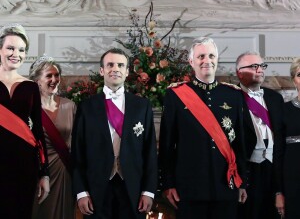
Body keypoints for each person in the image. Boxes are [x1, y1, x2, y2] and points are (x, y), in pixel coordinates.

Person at [159, 37, 247, 219]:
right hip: (189, 187)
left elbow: (240, 143)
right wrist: (168, 184)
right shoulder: (175, 95)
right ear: (191, 62)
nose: (207, 60)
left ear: (217, 60)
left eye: (211, 55)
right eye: (201, 56)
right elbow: (167, 145)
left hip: (226, 185)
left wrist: (243, 182)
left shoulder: (233, 95)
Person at [72, 47, 157, 218]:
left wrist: (148, 191)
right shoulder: (86, 107)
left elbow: (150, 152)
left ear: (127, 72)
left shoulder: (142, 106)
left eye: (120, 65)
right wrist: (81, 191)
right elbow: (77, 152)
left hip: (133, 187)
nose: (115, 69)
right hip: (96, 188)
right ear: (102, 70)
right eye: (110, 65)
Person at [0, 23, 49, 219]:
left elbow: (38, 132)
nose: (16, 54)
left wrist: (44, 173)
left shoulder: (30, 87)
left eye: (21, 50)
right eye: (10, 48)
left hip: (24, 166)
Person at [235, 51, 284, 219]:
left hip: (272, 170)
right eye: (253, 66)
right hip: (247, 171)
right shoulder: (230, 98)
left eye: (262, 66)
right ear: (239, 73)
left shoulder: (275, 98)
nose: (260, 70)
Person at [29, 54, 77, 219]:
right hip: (39, 173)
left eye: (57, 75)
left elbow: (78, 143)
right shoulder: (28, 108)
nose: (54, 79)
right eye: (48, 75)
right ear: (37, 81)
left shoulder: (69, 106)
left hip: (65, 173)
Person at [278, 58, 300, 218]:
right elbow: (278, 153)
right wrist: (278, 192)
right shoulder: (284, 110)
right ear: (294, 80)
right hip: (292, 177)